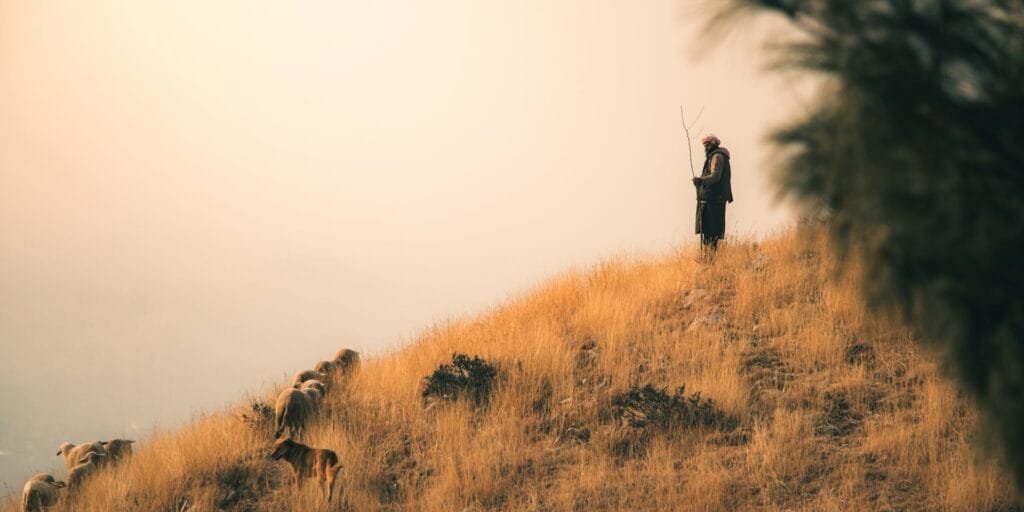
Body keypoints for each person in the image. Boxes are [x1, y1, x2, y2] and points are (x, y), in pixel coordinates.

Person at [692, 133, 733, 252]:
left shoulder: (717, 157)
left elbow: (716, 176)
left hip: (714, 200)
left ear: (714, 144)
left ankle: (709, 261)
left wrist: (701, 180)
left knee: (711, 234)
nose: (705, 148)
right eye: (704, 145)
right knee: (708, 235)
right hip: (711, 200)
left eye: (708, 145)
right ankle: (708, 262)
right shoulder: (714, 156)